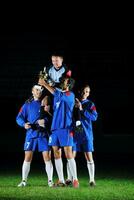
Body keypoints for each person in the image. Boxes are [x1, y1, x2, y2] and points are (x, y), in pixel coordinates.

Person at [38, 76, 79, 188]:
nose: (62, 82)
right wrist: (49, 112)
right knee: (56, 153)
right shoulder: (57, 96)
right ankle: (61, 180)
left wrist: (45, 84)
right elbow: (57, 113)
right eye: (62, 81)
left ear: (69, 84)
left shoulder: (70, 95)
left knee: (68, 154)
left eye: (65, 81)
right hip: (55, 129)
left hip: (66, 128)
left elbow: (57, 93)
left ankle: (75, 179)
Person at [16, 85, 53, 187]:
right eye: (36, 90)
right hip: (31, 134)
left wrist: (45, 121)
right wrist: (24, 124)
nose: (38, 92)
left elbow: (51, 117)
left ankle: (50, 181)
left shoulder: (45, 103)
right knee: (27, 157)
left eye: (40, 90)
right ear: (32, 91)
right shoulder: (27, 104)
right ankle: (24, 181)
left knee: (47, 157)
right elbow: (19, 118)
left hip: (43, 134)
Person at [66, 84, 98, 187]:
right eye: (84, 91)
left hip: (86, 134)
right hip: (75, 134)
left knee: (89, 157)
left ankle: (92, 180)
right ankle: (69, 178)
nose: (85, 93)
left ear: (89, 93)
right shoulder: (73, 102)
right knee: (71, 156)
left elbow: (94, 117)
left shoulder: (90, 104)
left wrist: (81, 109)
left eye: (87, 91)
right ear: (80, 92)